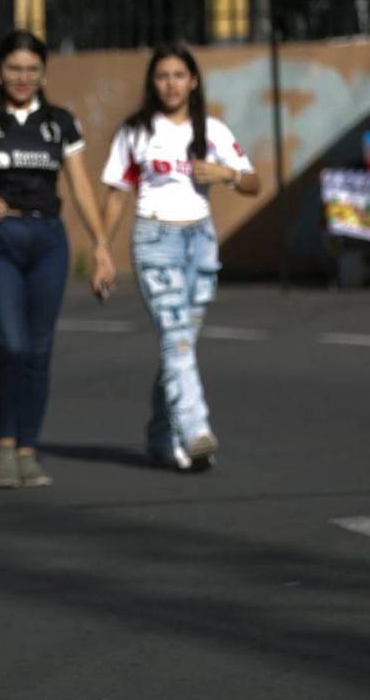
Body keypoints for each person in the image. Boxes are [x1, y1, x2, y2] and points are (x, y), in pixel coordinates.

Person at [0, 30, 115, 489]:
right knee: (11, 345)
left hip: (48, 240)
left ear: (43, 73)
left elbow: (80, 186)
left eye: (32, 69)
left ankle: (27, 449)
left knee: (39, 349)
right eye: (14, 68)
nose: (23, 77)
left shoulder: (60, 123)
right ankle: (5, 444)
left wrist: (101, 245)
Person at [99, 43, 260, 471]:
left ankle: (159, 434)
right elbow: (115, 194)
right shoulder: (136, 131)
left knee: (179, 345)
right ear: (152, 83)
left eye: (178, 75)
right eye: (162, 76)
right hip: (155, 239)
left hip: (200, 242)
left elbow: (253, 183)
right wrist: (101, 249)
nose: (171, 84)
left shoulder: (212, 131)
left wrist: (225, 173)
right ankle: (194, 430)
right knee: (177, 339)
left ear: (193, 81)